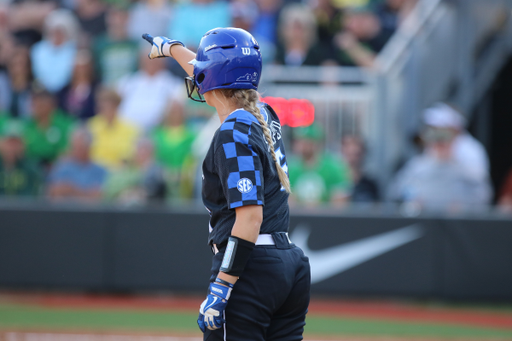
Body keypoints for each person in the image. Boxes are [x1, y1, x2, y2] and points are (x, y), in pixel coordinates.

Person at [143, 27, 310, 340]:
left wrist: (222, 286)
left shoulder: (232, 131)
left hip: (251, 267)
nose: (198, 75)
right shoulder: (264, 112)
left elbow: (249, 217)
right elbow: (217, 71)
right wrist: (172, 48)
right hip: (288, 264)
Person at [287, 124, 352, 205]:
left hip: (326, 217)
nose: (301, 145)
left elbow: (340, 201)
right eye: (299, 141)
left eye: (306, 141)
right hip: (299, 217)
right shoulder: (290, 168)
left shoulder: (334, 168)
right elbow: (288, 201)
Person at [117, 51, 182, 132]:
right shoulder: (129, 81)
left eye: (154, 59)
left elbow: (177, 107)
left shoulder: (173, 83)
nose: (151, 63)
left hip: (157, 132)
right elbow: (114, 101)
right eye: (148, 59)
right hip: (126, 131)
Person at [47, 127, 107, 202]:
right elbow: (54, 192)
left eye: (80, 147)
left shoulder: (100, 171)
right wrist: (86, 194)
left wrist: (71, 190)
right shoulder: (62, 167)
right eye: (74, 146)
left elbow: (98, 197)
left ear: (89, 148)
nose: (75, 151)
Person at [87, 87, 139, 170]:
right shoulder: (90, 127)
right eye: (102, 106)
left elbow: (130, 157)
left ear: (117, 106)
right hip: (94, 173)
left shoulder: (131, 129)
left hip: (119, 173)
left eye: (110, 106)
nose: (106, 109)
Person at [0, 120, 42, 197]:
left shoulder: (32, 168)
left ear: (23, 145)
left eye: (16, 143)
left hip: (24, 209)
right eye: (9, 143)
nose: (12, 148)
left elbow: (35, 196)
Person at [341, 134, 379, 203]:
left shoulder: (370, 185)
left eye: (356, 154)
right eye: (348, 146)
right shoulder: (336, 182)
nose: (353, 149)